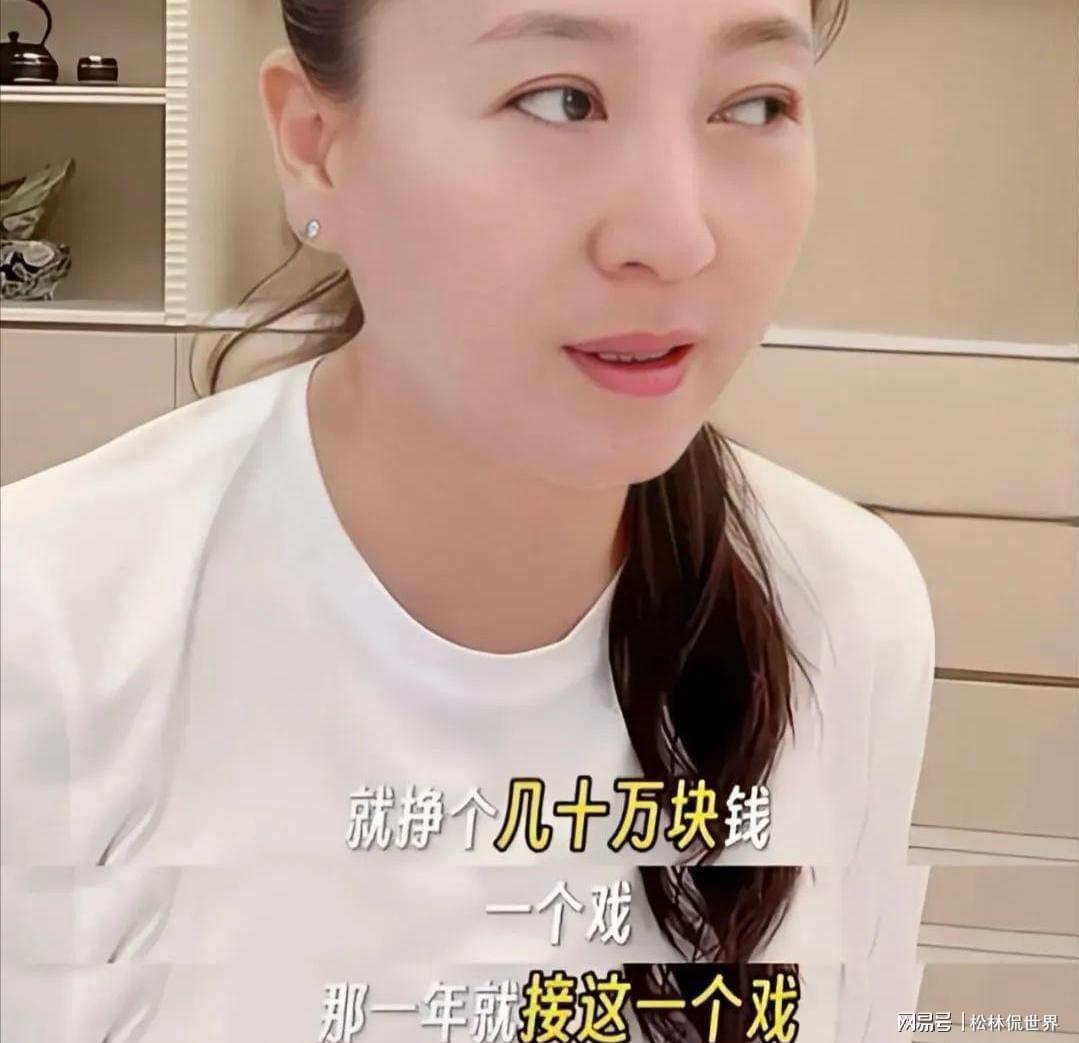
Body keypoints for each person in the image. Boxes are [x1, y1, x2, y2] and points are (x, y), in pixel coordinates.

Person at [1, 0, 936, 1040]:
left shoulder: (840, 606)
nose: (676, 239)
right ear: (316, 146)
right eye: (559, 99)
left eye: (755, 106)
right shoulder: (48, 628)